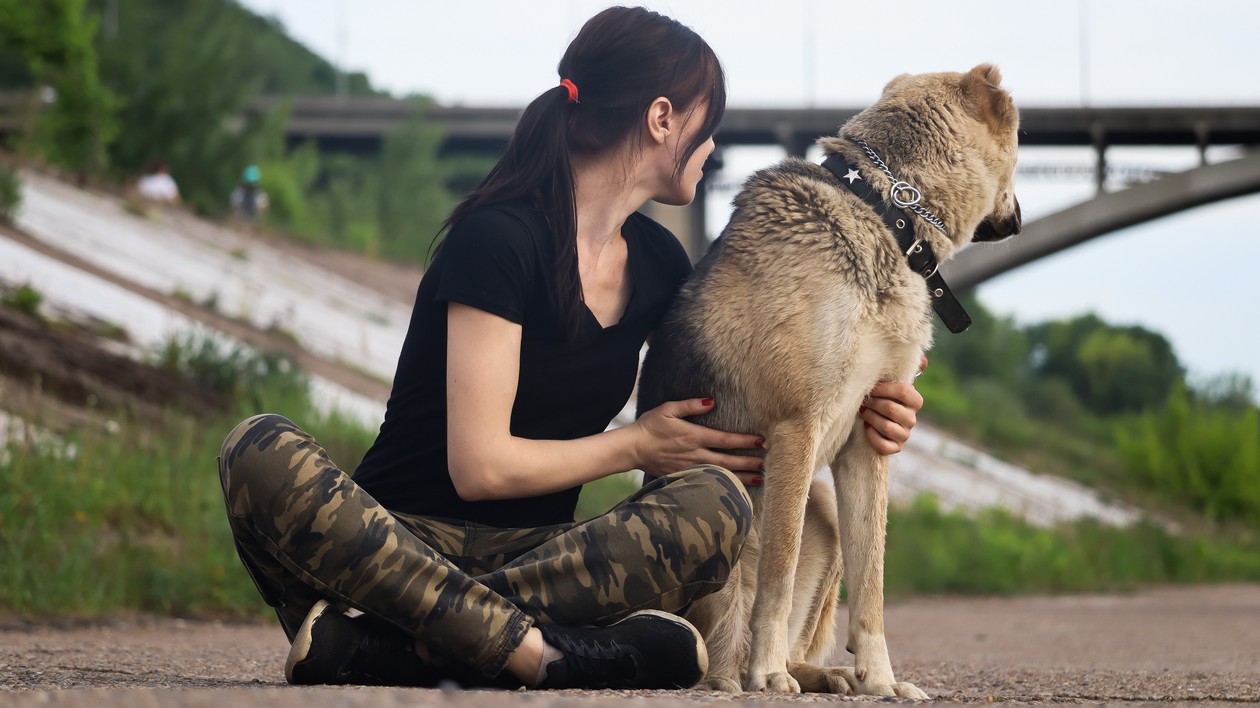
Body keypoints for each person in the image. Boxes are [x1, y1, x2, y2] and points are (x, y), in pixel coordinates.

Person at [217, 6, 925, 692]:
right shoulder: (496, 241)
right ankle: (536, 654)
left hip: (537, 561)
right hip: (389, 549)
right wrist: (637, 445)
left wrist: (864, 399)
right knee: (257, 449)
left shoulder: (657, 264)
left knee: (713, 504)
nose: (713, 148)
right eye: (709, 124)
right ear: (661, 119)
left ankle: (391, 647)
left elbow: (759, 381)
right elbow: (480, 467)